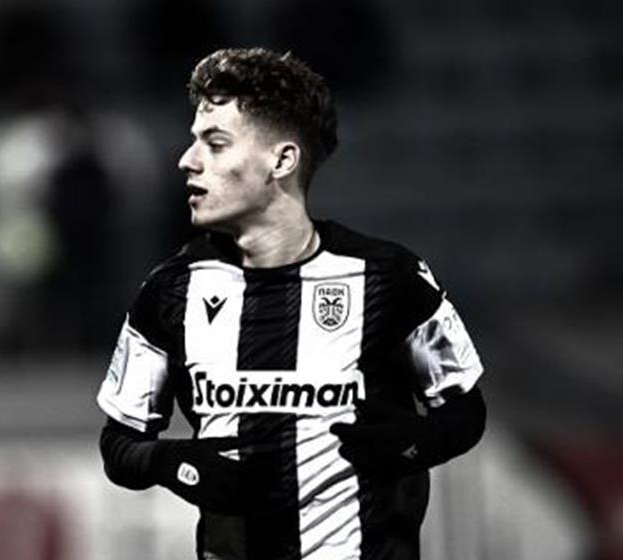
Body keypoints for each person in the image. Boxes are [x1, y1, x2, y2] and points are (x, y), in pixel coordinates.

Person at [96, 47, 487, 560]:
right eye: (195, 140)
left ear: (281, 161)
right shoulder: (171, 290)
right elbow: (118, 444)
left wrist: (413, 443)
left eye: (215, 143)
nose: (187, 160)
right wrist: (176, 463)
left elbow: (465, 413)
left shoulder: (391, 277)